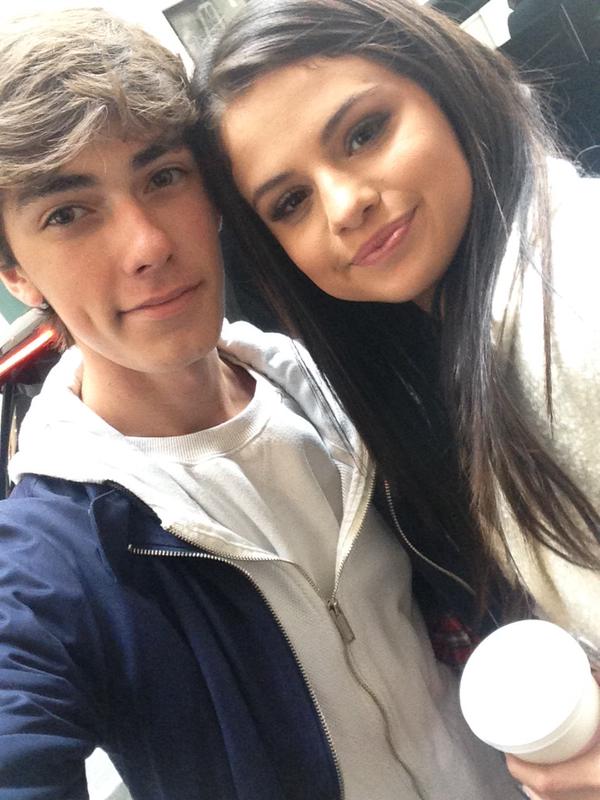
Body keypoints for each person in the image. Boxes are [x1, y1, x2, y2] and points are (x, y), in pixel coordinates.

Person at [0, 7, 524, 800]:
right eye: (68, 214)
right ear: (17, 275)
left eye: (162, 176)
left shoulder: (339, 376)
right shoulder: (54, 563)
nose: (147, 245)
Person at [198, 0, 600, 797]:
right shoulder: (466, 342)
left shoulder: (575, 305)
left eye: (363, 132)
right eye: (290, 202)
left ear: (441, 80)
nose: (344, 204)